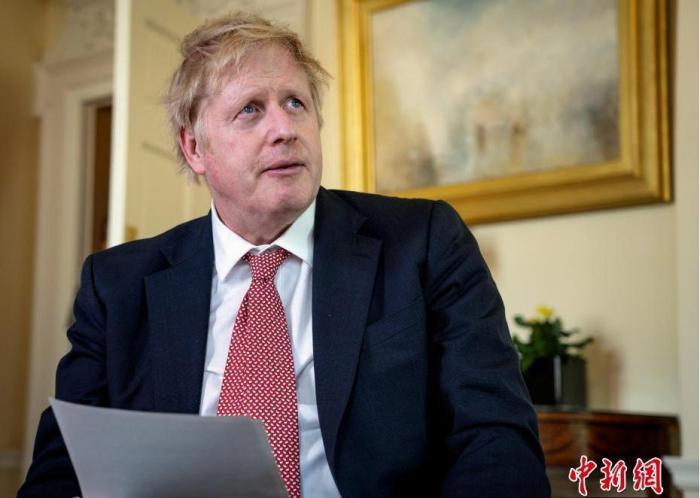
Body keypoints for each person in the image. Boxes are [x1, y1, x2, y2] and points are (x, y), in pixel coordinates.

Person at [19, 12, 550, 498]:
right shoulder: (117, 285)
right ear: (194, 148)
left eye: (295, 103)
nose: (285, 129)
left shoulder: (424, 242)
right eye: (250, 110)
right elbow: (62, 467)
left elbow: (496, 434)